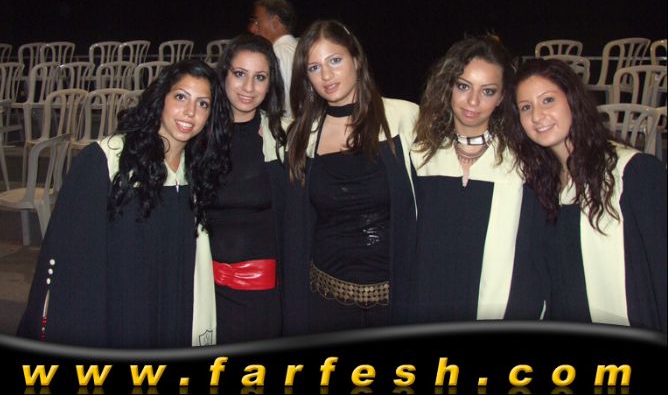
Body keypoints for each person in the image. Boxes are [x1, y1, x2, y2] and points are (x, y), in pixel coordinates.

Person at [17, 60, 232, 347]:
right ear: (161, 98)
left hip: (174, 314)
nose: (190, 112)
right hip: (117, 316)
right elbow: (73, 262)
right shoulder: (106, 160)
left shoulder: (196, 171)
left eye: (202, 104)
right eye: (181, 97)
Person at [508, 58, 666, 333]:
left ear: (572, 100)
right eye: (526, 107)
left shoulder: (631, 172)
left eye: (548, 100)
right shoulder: (539, 188)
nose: (537, 116)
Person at [282, 19, 418, 335]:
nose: (326, 75)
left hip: (396, 302)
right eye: (314, 67)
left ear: (356, 59)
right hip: (325, 302)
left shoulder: (404, 118)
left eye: (335, 60)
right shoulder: (301, 135)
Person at [410, 35, 546, 323]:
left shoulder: (522, 164)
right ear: (449, 87)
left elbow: (534, 258)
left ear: (501, 98)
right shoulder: (420, 158)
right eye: (463, 86)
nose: (473, 101)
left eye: (487, 91)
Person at [207, 34, 287, 343]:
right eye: (240, 74)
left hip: (262, 296)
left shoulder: (282, 139)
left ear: (270, 84)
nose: (249, 87)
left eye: (260, 77)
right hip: (206, 291)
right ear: (224, 74)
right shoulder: (198, 136)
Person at [249, 0, 298, 116]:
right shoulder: (303, 49)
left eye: (257, 22)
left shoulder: (271, 57)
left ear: (275, 22)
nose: (252, 29)